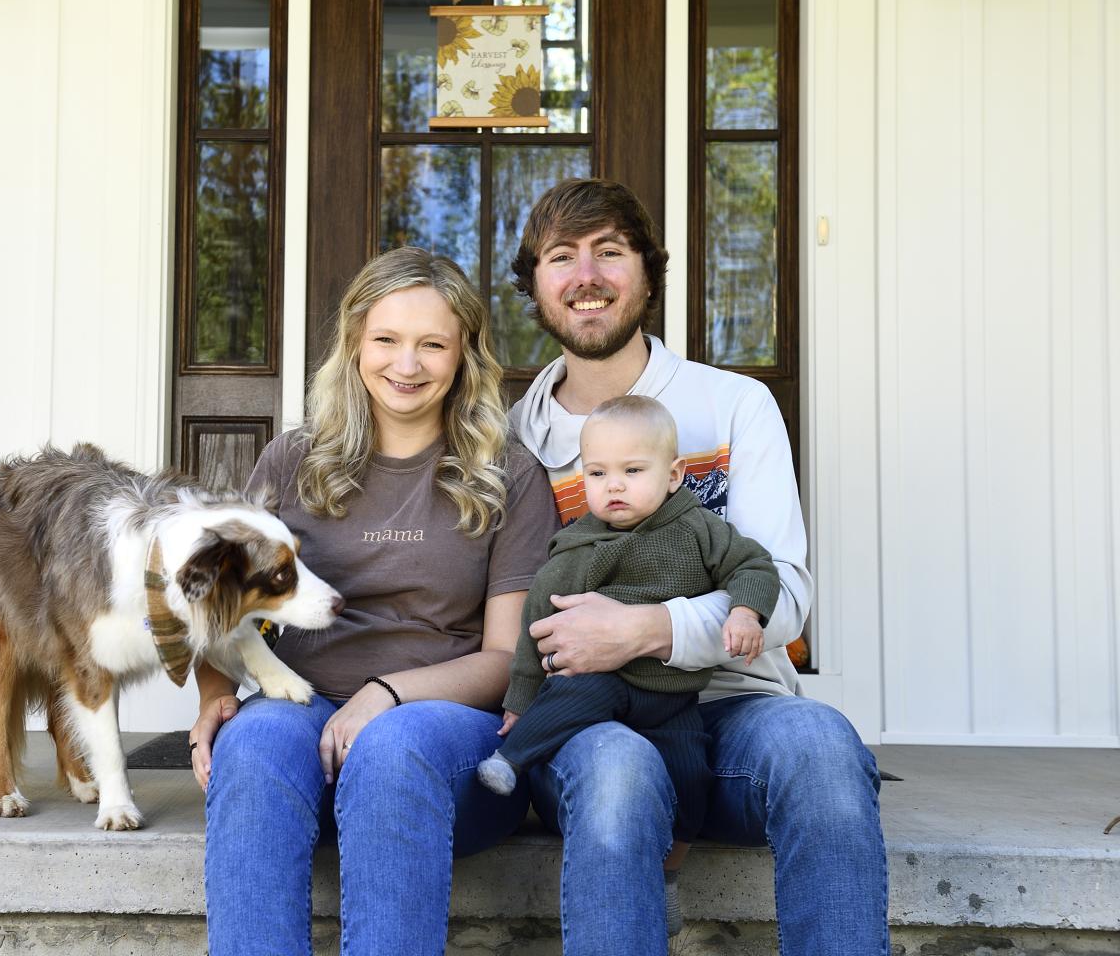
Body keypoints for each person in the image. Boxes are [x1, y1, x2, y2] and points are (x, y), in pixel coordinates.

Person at [507, 178, 889, 955]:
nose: (587, 276)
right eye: (561, 257)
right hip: (592, 718)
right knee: (617, 774)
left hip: (737, 706)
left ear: (647, 271)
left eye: (610, 253)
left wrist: (647, 629)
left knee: (819, 745)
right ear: (535, 283)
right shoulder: (510, 441)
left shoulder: (733, 405)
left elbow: (782, 597)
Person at [189, 246, 560, 956]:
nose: (407, 364)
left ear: (464, 356)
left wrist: (387, 693)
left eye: (432, 344)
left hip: (444, 738)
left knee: (392, 749)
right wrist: (213, 694)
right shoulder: (293, 461)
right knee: (257, 741)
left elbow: (509, 660)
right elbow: (223, 608)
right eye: (387, 340)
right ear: (355, 343)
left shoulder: (509, 475)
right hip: (303, 712)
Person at [476, 394, 780, 931]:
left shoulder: (698, 529)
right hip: (603, 684)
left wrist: (746, 613)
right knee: (568, 696)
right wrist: (520, 704)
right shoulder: (574, 549)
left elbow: (752, 564)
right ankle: (512, 761)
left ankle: (668, 872)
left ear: (673, 474)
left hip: (671, 691)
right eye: (597, 473)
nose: (613, 485)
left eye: (632, 470)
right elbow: (533, 635)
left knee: (692, 774)